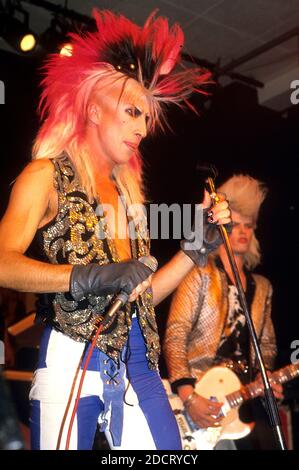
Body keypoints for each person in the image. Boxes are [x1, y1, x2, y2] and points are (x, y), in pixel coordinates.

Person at [0, 10, 231, 450]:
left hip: (140, 366)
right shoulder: (46, 176)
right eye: (131, 112)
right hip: (71, 359)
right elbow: (1, 262)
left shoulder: (130, 199)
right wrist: (82, 277)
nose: (142, 128)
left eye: (146, 118)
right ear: (92, 108)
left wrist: (193, 249)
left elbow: (138, 298)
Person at [164, 174, 283, 450]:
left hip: (240, 400)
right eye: (235, 225)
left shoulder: (262, 287)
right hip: (199, 390)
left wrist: (264, 378)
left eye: (249, 226)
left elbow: (266, 345)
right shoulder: (199, 273)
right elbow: (175, 333)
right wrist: (187, 395)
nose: (242, 232)